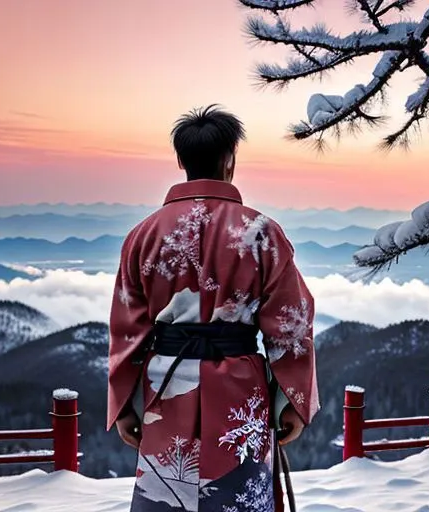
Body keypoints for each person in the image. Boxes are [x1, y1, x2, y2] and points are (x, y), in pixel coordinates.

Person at [107, 105, 320, 512]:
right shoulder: (261, 232)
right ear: (230, 161)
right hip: (240, 387)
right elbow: (291, 324)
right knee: (239, 495)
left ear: (181, 161)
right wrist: (291, 401)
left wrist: (125, 405)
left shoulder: (143, 234)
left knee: (167, 495)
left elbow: (127, 330)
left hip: (163, 388)